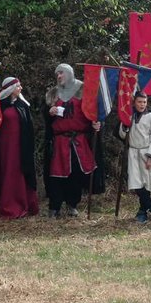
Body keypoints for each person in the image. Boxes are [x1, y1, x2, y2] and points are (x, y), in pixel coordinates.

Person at [46, 63, 102, 218]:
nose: (58, 76)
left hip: (79, 139)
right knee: (57, 175)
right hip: (60, 141)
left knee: (76, 174)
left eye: (61, 73)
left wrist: (96, 123)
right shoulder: (53, 93)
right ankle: (54, 207)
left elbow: (92, 112)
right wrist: (49, 113)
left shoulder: (83, 90)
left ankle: (72, 204)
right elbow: (47, 121)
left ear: (69, 73)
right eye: (57, 74)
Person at [0, 76, 39, 219]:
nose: (21, 88)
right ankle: (9, 207)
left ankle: (25, 204)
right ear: (10, 89)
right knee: (8, 173)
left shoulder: (22, 105)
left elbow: (28, 127)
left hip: (21, 147)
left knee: (21, 173)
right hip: (5, 147)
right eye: (18, 86)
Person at [119, 90, 151, 223]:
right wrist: (124, 127)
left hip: (146, 152)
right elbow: (123, 136)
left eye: (144, 102)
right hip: (133, 152)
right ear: (134, 102)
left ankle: (142, 212)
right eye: (139, 102)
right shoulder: (130, 117)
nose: (142, 104)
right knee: (135, 183)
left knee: (146, 184)